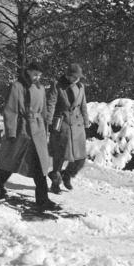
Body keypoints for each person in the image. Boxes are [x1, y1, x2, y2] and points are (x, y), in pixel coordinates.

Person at [0, 60, 60, 212]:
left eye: (40, 75)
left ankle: (42, 200)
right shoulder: (16, 86)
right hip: (21, 128)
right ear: (29, 71)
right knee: (13, 159)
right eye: (35, 74)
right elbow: (10, 109)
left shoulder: (41, 88)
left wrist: (45, 130)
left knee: (40, 166)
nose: (38, 77)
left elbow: (43, 111)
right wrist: (11, 131)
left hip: (37, 130)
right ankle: (0, 180)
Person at [46, 63, 90, 194]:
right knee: (60, 156)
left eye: (78, 77)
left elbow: (83, 105)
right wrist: (49, 121)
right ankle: (55, 183)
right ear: (68, 75)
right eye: (74, 77)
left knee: (80, 158)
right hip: (62, 124)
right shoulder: (57, 85)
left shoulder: (81, 86)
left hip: (77, 125)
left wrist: (86, 121)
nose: (77, 79)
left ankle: (67, 175)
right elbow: (51, 104)